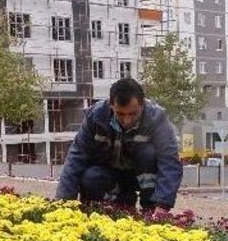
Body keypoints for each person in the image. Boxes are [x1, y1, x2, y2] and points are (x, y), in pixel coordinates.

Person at [55, 78, 183, 214]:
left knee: (148, 152)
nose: (126, 121)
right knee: (90, 176)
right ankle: (118, 204)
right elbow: (76, 156)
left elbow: (169, 161)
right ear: (111, 106)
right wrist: (64, 202)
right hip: (108, 175)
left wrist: (163, 204)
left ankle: (150, 209)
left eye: (133, 114)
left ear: (142, 105)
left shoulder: (157, 118)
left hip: (139, 174)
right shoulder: (95, 116)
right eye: (120, 114)